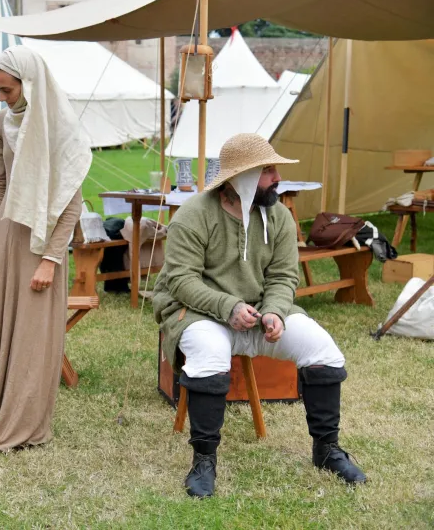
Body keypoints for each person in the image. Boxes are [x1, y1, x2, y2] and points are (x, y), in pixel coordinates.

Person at [152, 133, 367, 498]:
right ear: (242, 176)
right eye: (268, 170)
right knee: (207, 351)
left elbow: (283, 277)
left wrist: (274, 312)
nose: (276, 177)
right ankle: (204, 460)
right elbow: (181, 281)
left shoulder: (279, 216)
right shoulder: (193, 215)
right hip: (198, 313)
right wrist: (228, 307)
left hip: (258, 312)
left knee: (324, 351)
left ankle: (326, 450)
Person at [0, 45, 92, 451]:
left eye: (7, 90)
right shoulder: (4, 120)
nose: (1, 97)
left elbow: (72, 203)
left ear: (28, 84)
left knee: (33, 338)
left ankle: (22, 423)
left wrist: (51, 259)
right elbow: (0, 181)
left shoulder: (60, 128)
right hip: (8, 235)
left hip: (42, 244)